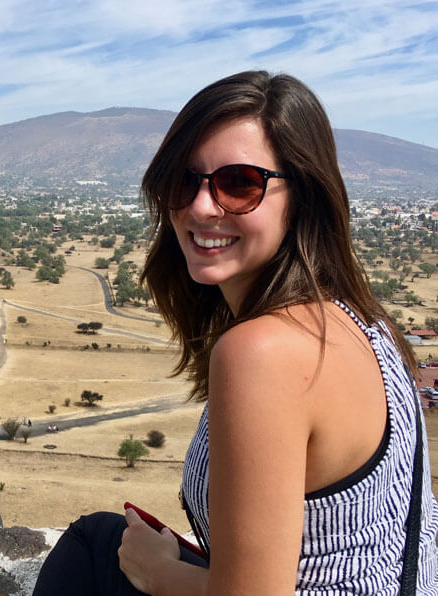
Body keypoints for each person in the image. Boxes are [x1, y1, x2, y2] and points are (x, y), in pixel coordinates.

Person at [34, 71, 438, 595]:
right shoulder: (364, 320)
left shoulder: (263, 352)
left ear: (303, 196)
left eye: (240, 183)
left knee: (97, 544)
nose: (202, 206)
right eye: (184, 180)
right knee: (104, 536)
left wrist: (162, 573)